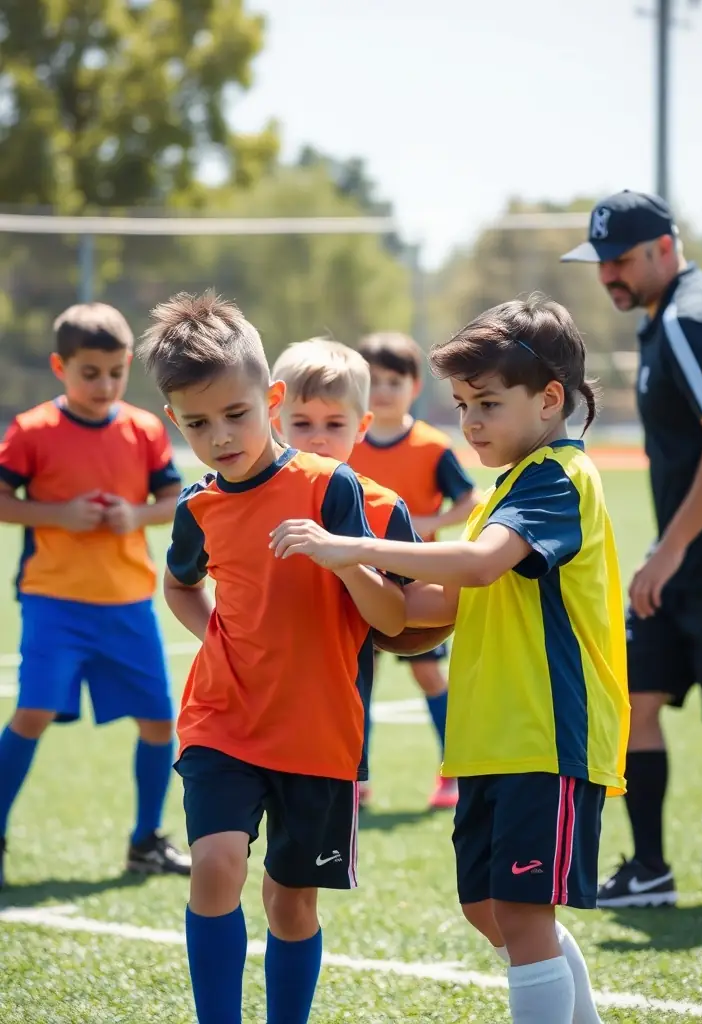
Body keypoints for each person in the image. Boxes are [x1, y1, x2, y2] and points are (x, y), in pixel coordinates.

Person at [270, 296, 630, 1024]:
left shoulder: (558, 476)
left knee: (524, 916)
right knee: (486, 910)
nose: (469, 423)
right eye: (462, 403)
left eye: (487, 404)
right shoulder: (505, 485)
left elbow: (477, 565)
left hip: (547, 736)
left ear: (550, 399)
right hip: (491, 739)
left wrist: (356, 547)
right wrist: (357, 597)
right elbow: (440, 605)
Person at [138, 292, 405, 1024]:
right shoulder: (198, 507)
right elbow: (180, 584)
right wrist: (219, 637)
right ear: (175, 421)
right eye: (197, 423)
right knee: (217, 865)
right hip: (223, 719)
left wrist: (344, 559)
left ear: (272, 398)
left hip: (318, 732)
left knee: (291, 902)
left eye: (236, 414)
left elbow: (392, 618)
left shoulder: (333, 488)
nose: (220, 436)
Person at [562, 189, 702, 904]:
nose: (607, 276)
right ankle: (649, 869)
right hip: (687, 559)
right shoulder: (694, 307)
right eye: (600, 262)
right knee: (636, 699)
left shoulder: (689, 316)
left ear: (665, 248)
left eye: (619, 260)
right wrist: (671, 549)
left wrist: (673, 546)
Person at [0, 302, 189, 889]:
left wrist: (135, 512)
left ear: (127, 365)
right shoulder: (32, 431)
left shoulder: (146, 429)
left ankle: (146, 841)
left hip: (129, 604)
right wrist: (58, 514)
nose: (104, 385)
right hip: (54, 601)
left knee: (161, 724)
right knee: (31, 714)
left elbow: (172, 501)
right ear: (61, 366)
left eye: (115, 372)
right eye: (89, 373)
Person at [271, 337, 422, 805]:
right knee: (226, 850)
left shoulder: (383, 508)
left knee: (299, 872)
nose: (318, 437)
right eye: (302, 423)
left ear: (363, 426)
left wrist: (349, 561)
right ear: (275, 419)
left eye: (335, 423)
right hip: (251, 705)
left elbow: (401, 615)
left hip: (334, 713)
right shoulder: (243, 495)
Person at [349, 331, 479, 809]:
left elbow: (470, 499)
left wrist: (431, 521)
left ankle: (453, 771)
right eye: (373, 380)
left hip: (418, 586)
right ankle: (355, 777)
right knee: (358, 680)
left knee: (429, 676)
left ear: (415, 385)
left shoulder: (431, 445)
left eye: (394, 379)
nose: (383, 390)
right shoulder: (350, 441)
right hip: (359, 581)